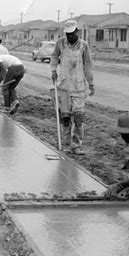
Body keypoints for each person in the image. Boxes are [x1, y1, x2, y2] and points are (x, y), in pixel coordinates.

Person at [51, 20, 94, 155]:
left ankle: (76, 145)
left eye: (72, 33)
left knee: (78, 117)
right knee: (65, 117)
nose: (69, 36)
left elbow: (88, 65)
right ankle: (65, 143)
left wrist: (91, 83)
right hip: (64, 85)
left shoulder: (84, 46)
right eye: (67, 34)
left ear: (77, 31)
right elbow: (54, 56)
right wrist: (53, 70)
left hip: (79, 85)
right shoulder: (60, 43)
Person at [0, 50, 25, 115]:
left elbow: (3, 70)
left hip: (14, 68)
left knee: (5, 88)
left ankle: (7, 108)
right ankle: (15, 101)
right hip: (22, 69)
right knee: (11, 88)